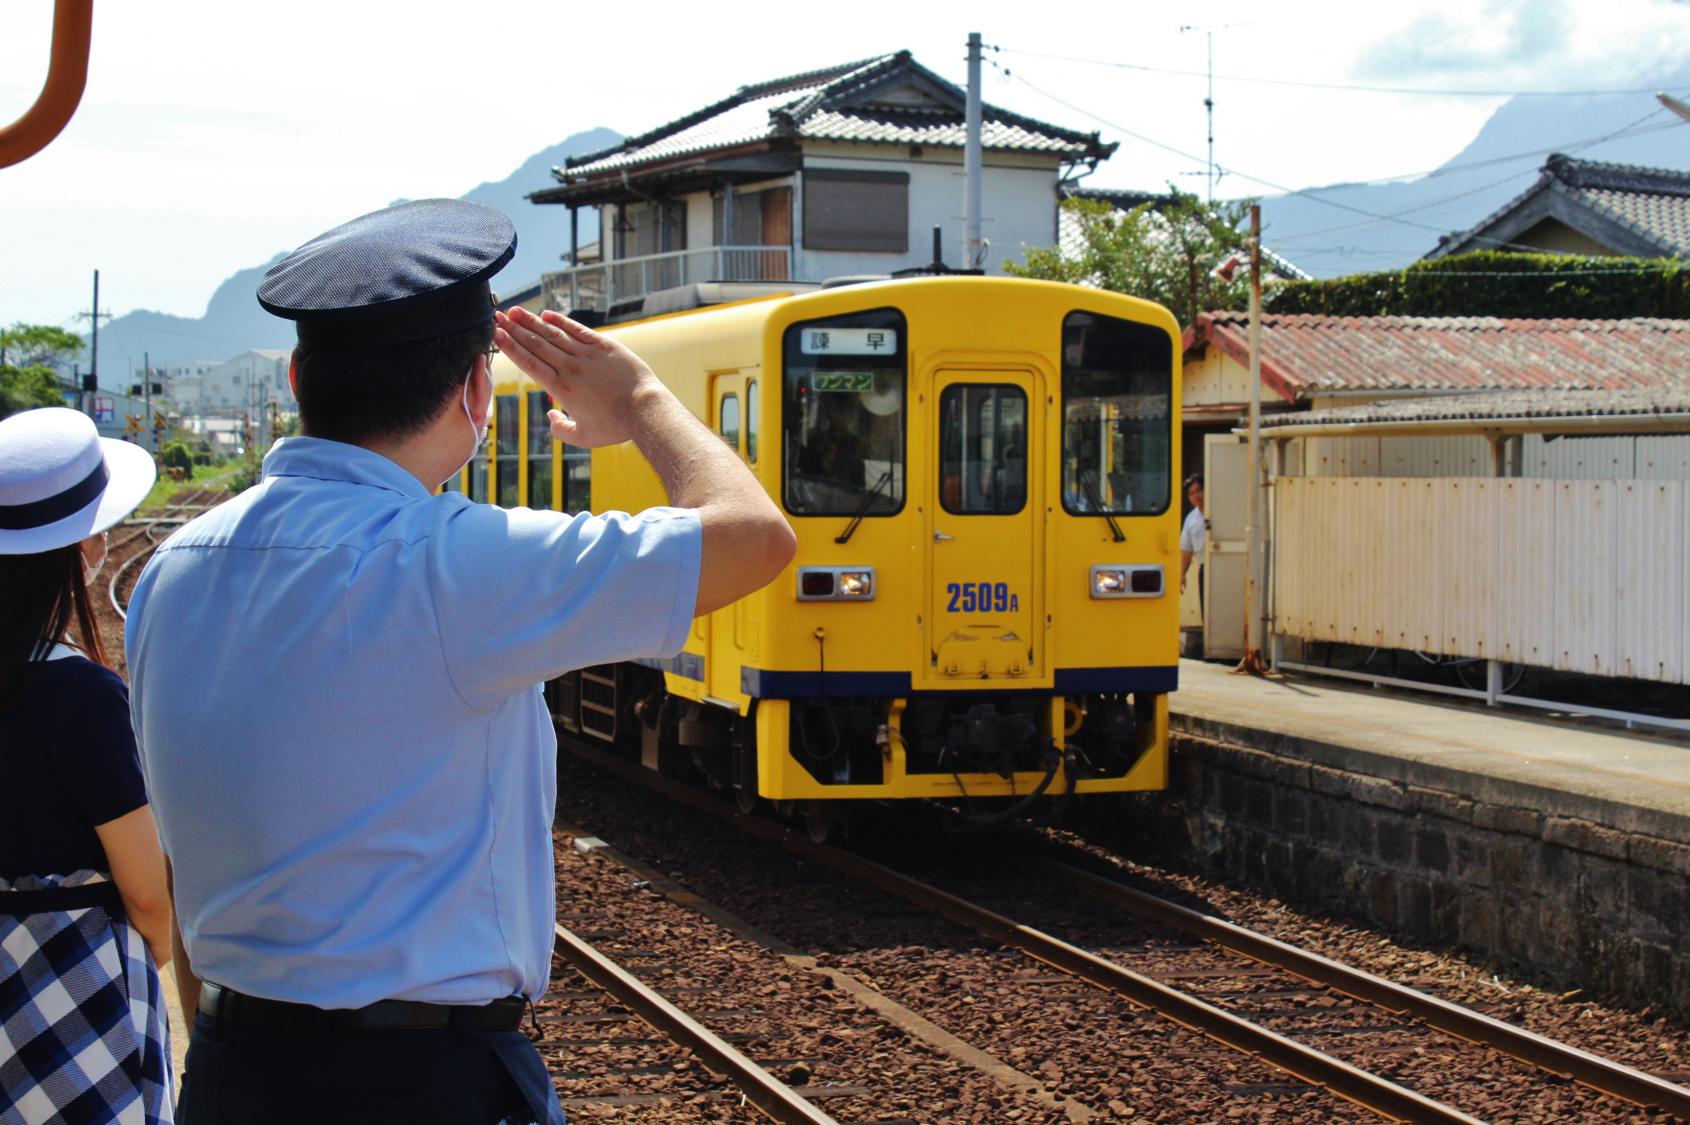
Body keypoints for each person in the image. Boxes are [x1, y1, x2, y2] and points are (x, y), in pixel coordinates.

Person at [125, 199, 796, 1125]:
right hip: (425, 1084)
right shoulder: (454, 562)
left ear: (294, 377)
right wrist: (640, 399)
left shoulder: (171, 572)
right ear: (477, 395)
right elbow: (755, 538)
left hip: (236, 1070)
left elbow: (185, 849)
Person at [0, 407, 174, 1124]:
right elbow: (144, 892)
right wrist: (156, 955)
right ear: (84, 547)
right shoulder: (80, 694)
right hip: (75, 987)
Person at [1179, 473, 1206, 603]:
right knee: (1207, 611)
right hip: (1204, 568)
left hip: (1223, 564)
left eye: (1199, 490)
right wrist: (1182, 574)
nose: (1196, 496)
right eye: (1191, 493)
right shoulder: (1191, 519)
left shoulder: (1218, 511)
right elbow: (1187, 550)